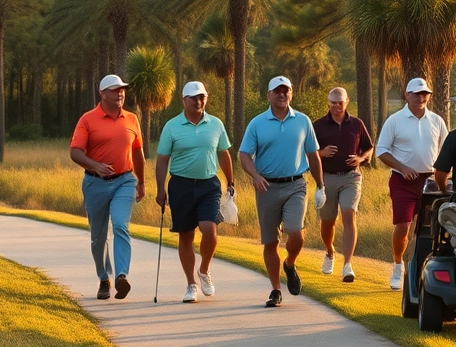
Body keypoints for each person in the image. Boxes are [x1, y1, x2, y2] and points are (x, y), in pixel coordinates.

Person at [239, 76, 324, 308]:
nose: (282, 95)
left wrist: (321, 185)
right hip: (266, 186)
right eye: (277, 91)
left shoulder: (303, 121)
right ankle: (276, 289)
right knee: (270, 242)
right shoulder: (257, 123)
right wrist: (255, 176)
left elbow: (313, 155)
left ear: (291, 93)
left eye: (286, 90)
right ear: (268, 95)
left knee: (296, 232)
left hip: (296, 184)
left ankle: (290, 264)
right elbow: (244, 154)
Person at [155, 81, 235, 303]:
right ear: (184, 100)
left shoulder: (216, 124)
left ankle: (204, 270)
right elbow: (162, 159)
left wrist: (231, 180)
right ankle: (191, 284)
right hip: (180, 185)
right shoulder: (172, 126)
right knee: (186, 235)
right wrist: (160, 189)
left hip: (209, 185)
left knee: (209, 228)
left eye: (202, 97)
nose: (199, 102)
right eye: (194, 98)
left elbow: (223, 154)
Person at [70, 74, 146, 301]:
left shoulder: (132, 119)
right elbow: (75, 152)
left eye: (122, 89)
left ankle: (122, 275)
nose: (120, 93)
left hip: (125, 180)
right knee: (98, 237)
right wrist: (96, 165)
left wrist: (141, 181)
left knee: (121, 225)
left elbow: (138, 152)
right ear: (102, 93)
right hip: (95, 183)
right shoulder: (87, 119)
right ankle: (104, 278)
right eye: (114, 90)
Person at [375, 77, 448, 290]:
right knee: (403, 225)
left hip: (431, 182)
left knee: (429, 230)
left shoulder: (437, 121)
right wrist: (403, 167)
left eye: (425, 93)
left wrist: (442, 174)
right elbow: (381, 151)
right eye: (416, 94)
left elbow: (445, 150)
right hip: (402, 180)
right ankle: (398, 265)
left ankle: (424, 269)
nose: (421, 97)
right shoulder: (395, 120)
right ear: (406, 95)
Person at [312, 87, 373, 283]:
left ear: (347, 102)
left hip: (351, 177)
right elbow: (308, 151)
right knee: (328, 221)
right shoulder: (318, 126)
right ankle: (330, 252)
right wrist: (322, 153)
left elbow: (369, 148)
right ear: (328, 103)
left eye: (340, 102)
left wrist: (360, 159)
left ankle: (348, 265)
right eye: (333, 102)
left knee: (349, 214)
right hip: (327, 177)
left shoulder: (356, 124)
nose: (337, 106)